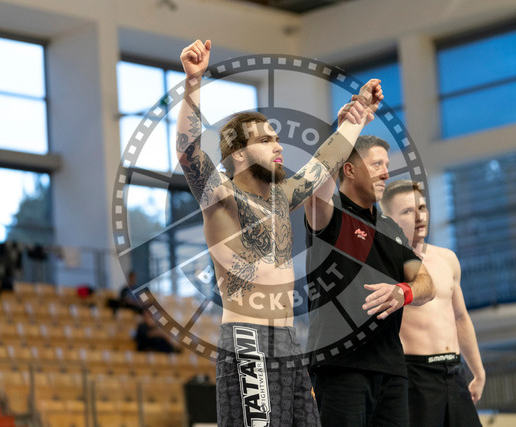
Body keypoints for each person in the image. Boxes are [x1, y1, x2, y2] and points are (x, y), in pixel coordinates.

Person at [176, 39, 383, 426]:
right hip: (247, 338)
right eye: (265, 140)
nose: (277, 145)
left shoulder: (281, 199)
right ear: (239, 154)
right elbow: (189, 153)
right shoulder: (220, 197)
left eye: (276, 137)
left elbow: (323, 162)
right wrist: (193, 82)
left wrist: (357, 119)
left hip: (288, 340)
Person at [304, 136, 435, 426]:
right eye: (377, 165)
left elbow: (426, 283)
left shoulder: (391, 228)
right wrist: (346, 130)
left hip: (392, 369)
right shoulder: (330, 212)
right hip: (341, 366)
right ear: (349, 169)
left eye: (387, 165)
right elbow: (314, 192)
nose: (386, 173)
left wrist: (404, 291)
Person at [380, 180, 485, 427]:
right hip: (415, 375)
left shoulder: (447, 259)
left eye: (422, 208)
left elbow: (460, 317)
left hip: (454, 371)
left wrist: (478, 371)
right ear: (388, 220)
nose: (419, 217)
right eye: (408, 211)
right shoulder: (385, 265)